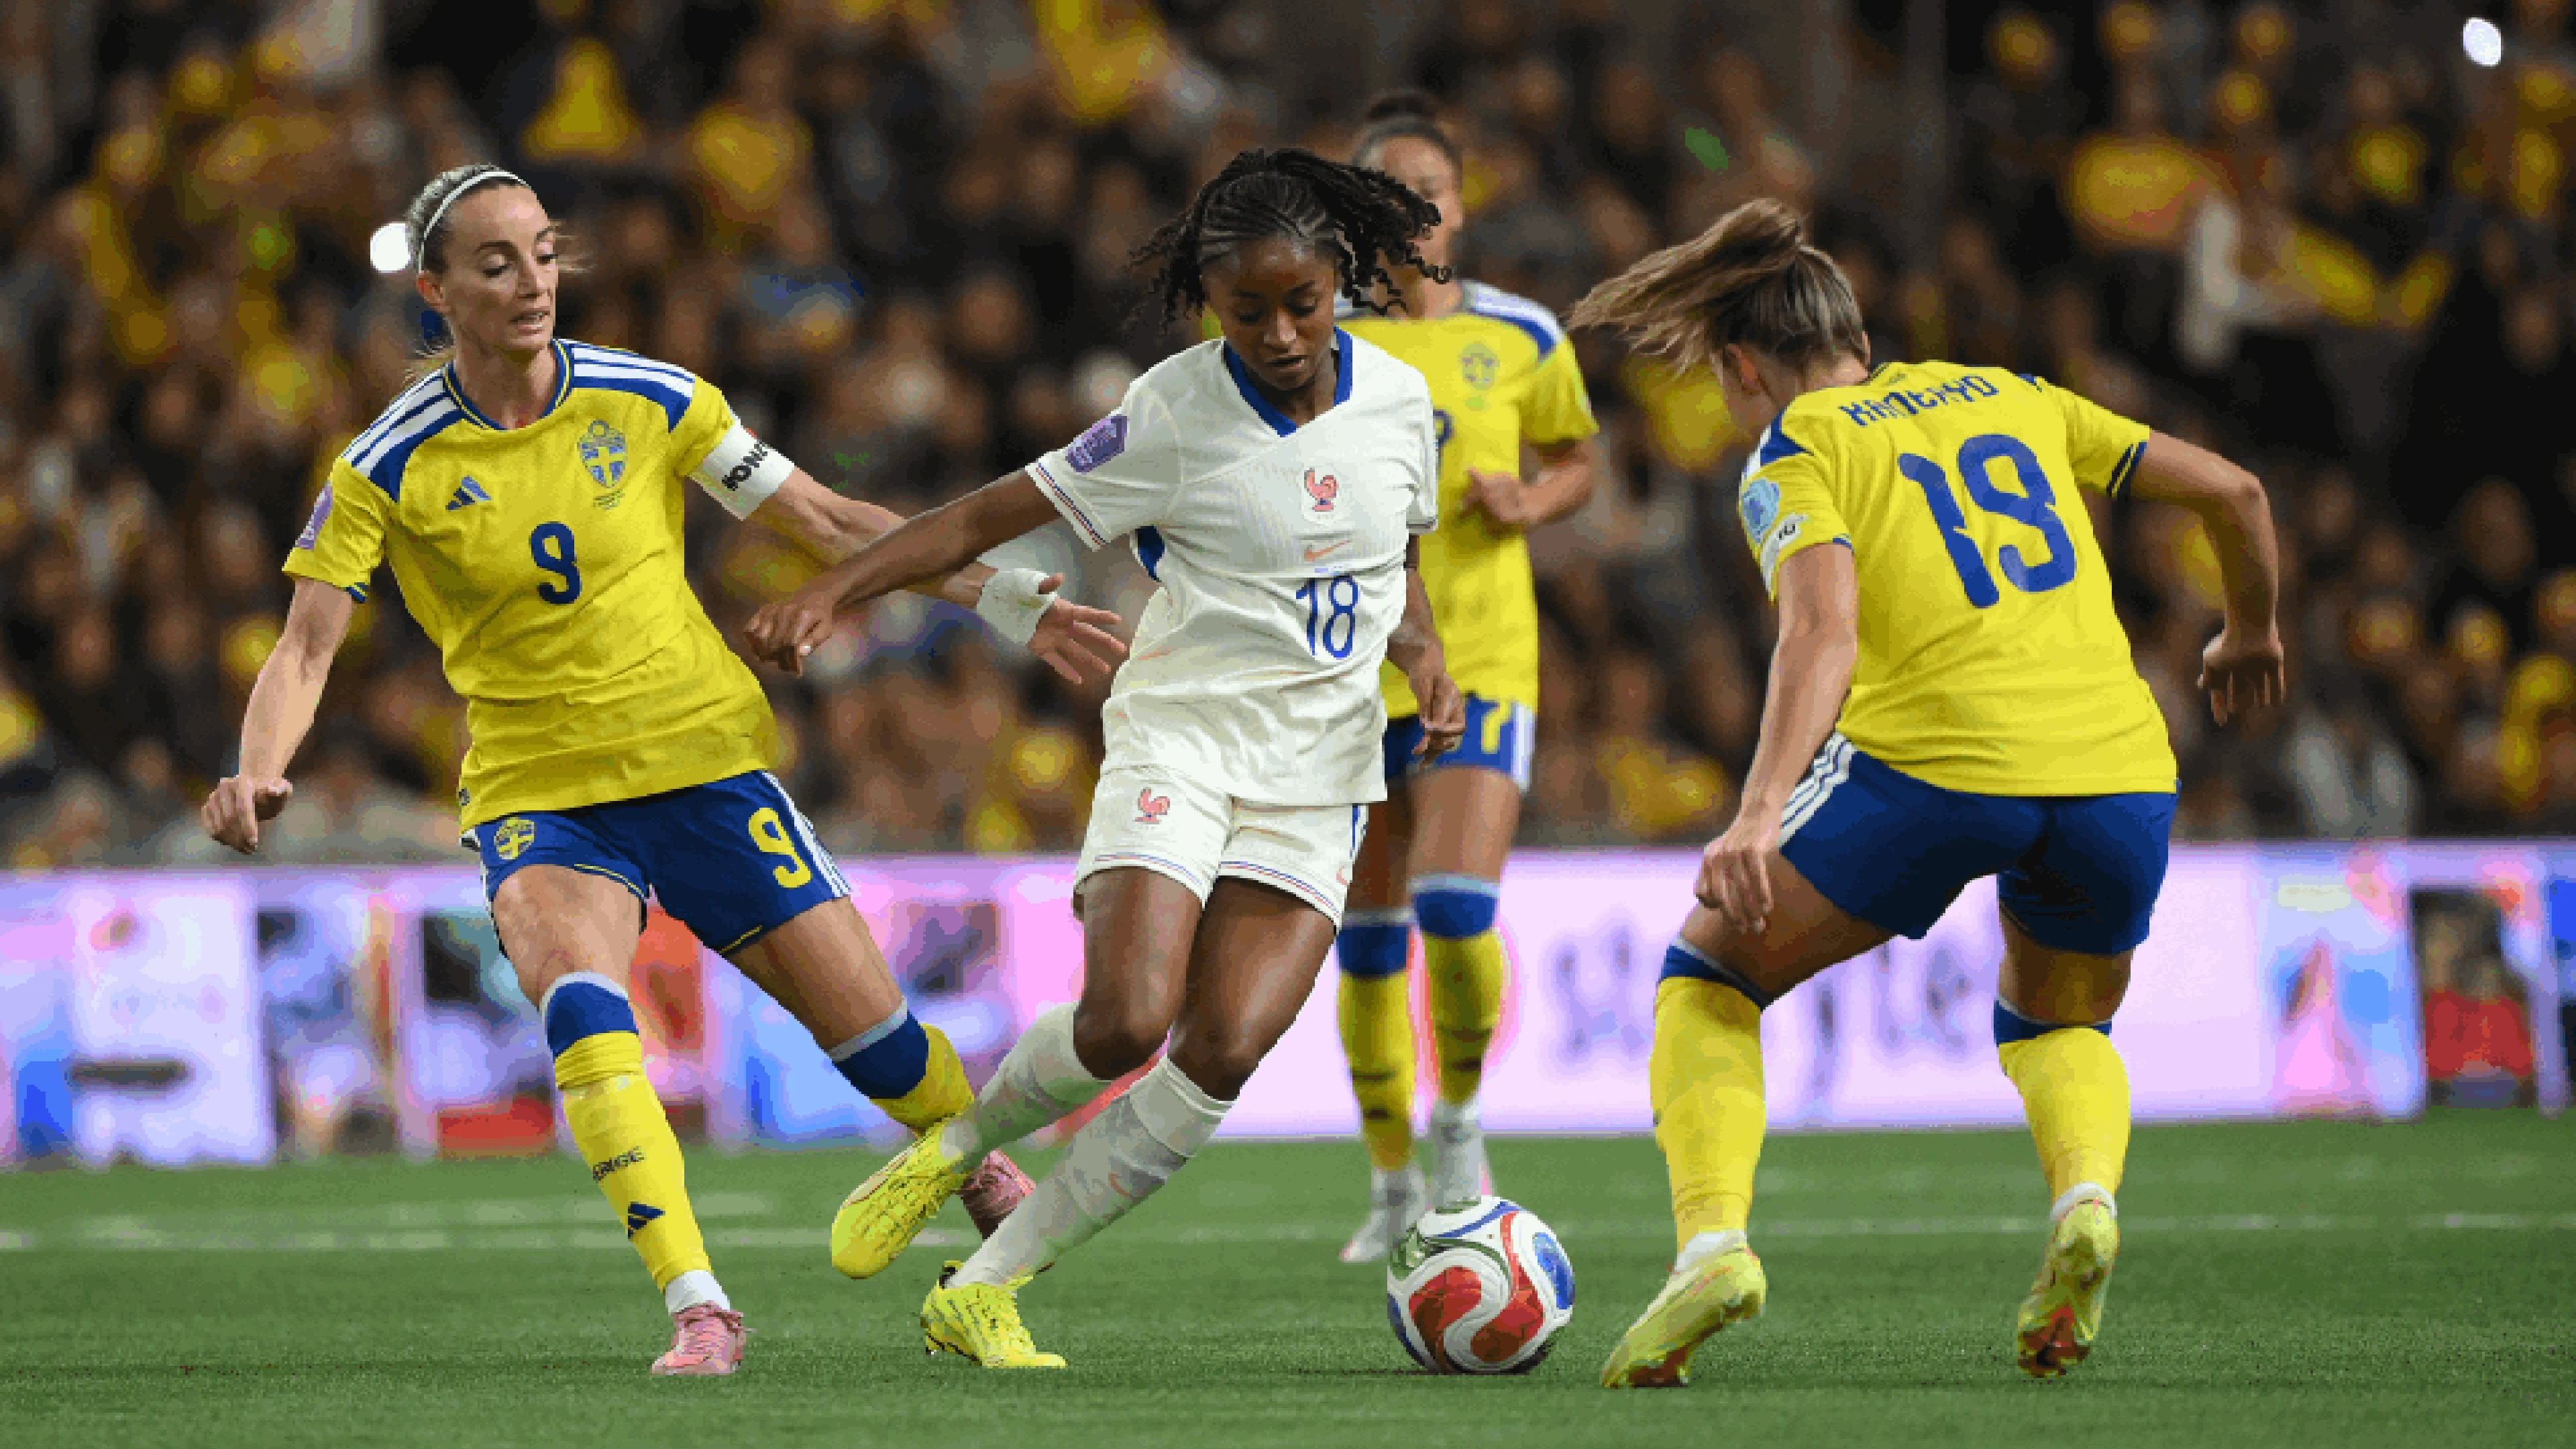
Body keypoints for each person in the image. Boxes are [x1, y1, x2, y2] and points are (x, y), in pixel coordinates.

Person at [199, 164, 1128, 1377]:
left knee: (886, 1050)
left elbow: (830, 523)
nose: (532, 281)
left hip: (704, 767)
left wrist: (1008, 603)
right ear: (434, 291)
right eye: (495, 263)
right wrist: (256, 769)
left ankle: (972, 1157)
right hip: (541, 796)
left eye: (542, 253)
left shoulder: (653, 398)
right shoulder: (388, 462)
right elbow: (309, 640)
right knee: (585, 1015)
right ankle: (700, 1306)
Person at [745, 148, 1466, 1368]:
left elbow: (1396, 565)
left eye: (1303, 302)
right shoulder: (1172, 413)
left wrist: (1428, 660)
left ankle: (987, 1287)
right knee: (1130, 1016)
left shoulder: (1400, 403)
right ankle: (956, 1150)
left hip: (1324, 774)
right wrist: (837, 592)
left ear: (1342, 277)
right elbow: (977, 519)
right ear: (1209, 305)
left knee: (1225, 1047)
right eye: (1250, 312)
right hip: (1180, 738)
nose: (1282, 332)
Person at [1566, 198, 2284, 1387]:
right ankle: (2085, 1205)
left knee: (1708, 976)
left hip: (1934, 764)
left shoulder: (1797, 447)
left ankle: (1713, 1248)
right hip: (2118, 766)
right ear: (1858, 331)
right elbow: (2242, 495)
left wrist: (1755, 813)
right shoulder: (2017, 393)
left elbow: (1821, 631)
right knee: (2060, 1021)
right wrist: (2248, 630)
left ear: (1745, 367)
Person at [1327, 93, 1601, 1260]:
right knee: (1370, 935)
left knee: (1456, 904)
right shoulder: (1321, 340)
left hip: (1485, 660)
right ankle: (1389, 1178)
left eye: (1430, 190)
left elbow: (1580, 458)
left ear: (1458, 204)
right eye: (1390, 191)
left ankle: (1460, 1124)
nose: (1416, 210)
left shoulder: (1527, 337)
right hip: (1347, 670)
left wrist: (1530, 499)